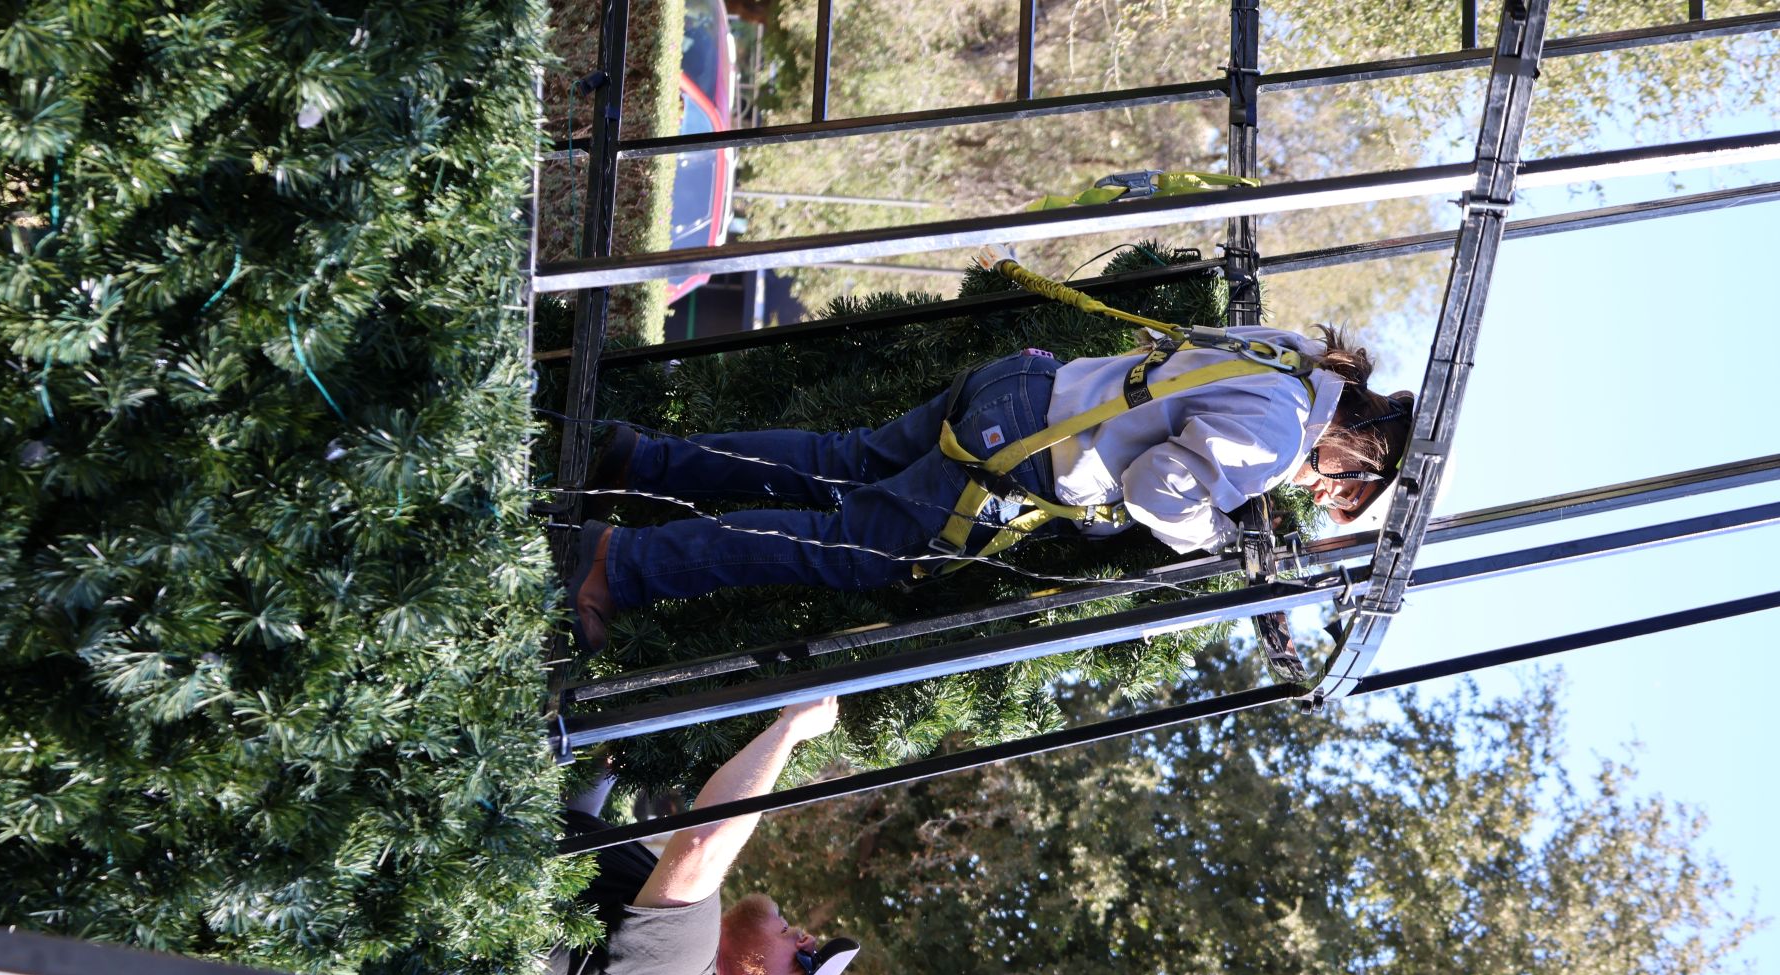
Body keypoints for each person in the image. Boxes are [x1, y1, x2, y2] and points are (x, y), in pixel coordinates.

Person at [565, 325, 1413, 649]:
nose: (1324, 501)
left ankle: (639, 463)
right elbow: (1158, 489)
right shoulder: (1279, 437)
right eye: (1345, 495)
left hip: (1027, 389)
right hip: (1029, 453)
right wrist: (1224, 541)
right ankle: (618, 565)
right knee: (846, 550)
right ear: (1360, 455)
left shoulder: (1295, 358)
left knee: (840, 458)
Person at [497, 696, 859, 975]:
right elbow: (570, 832)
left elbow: (706, 844)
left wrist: (790, 729)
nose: (808, 941)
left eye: (804, 962)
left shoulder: (684, 973)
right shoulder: (679, 962)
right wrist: (615, 759)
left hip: (463, 901)